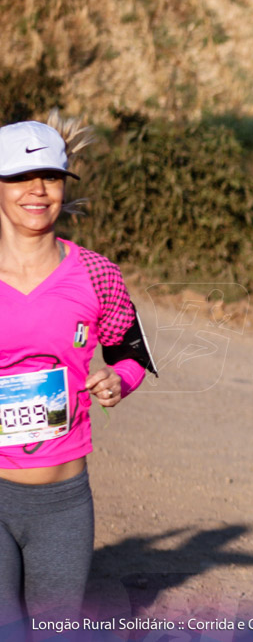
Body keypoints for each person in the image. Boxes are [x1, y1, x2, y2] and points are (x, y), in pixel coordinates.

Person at [0, 116, 157, 629]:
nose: (38, 190)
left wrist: (120, 381)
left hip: (62, 501)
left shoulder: (95, 272)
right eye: (21, 178)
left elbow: (131, 355)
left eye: (51, 176)